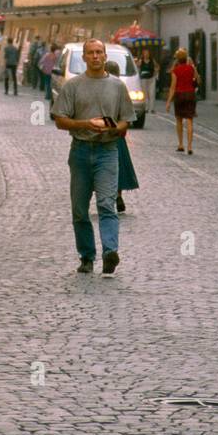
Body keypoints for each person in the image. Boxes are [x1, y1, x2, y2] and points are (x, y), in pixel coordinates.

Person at [53, 38, 135, 275]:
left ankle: (110, 252)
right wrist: (85, 123)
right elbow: (60, 120)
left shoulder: (117, 86)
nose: (96, 56)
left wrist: (115, 128)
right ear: (85, 57)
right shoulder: (73, 86)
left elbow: (126, 120)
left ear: (105, 56)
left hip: (107, 151)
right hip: (80, 150)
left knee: (106, 204)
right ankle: (87, 256)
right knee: (79, 209)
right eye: (91, 53)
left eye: (100, 52)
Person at [106, 60, 139, 212]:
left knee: (103, 168)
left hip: (103, 134)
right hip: (118, 135)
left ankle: (106, 196)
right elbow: (127, 115)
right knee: (117, 167)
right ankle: (118, 195)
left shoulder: (103, 87)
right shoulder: (121, 88)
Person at [166, 48, 199, 153]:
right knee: (189, 120)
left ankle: (180, 144)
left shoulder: (175, 71)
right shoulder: (191, 68)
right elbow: (197, 80)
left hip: (179, 95)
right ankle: (189, 146)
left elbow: (173, 87)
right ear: (186, 58)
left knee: (179, 120)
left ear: (177, 60)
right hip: (190, 95)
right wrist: (194, 68)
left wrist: (168, 102)